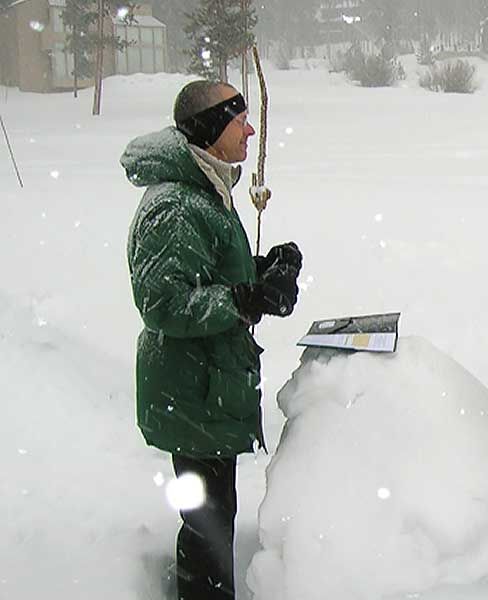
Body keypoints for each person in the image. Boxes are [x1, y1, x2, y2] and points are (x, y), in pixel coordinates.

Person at [122, 80, 302, 600]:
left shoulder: (205, 191)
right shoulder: (176, 205)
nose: (249, 129)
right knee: (207, 534)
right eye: (238, 119)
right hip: (191, 394)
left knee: (213, 523)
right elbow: (163, 305)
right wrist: (245, 299)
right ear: (208, 129)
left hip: (206, 390)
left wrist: (263, 274)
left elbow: (203, 277)